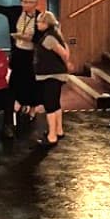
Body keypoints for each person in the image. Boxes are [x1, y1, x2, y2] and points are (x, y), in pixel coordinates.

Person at [33, 11, 70, 145]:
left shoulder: (49, 38)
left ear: (46, 23)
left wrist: (66, 64)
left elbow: (64, 54)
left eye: (40, 22)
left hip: (51, 75)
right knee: (55, 103)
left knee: (50, 105)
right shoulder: (54, 35)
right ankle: (58, 130)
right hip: (53, 74)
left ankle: (52, 136)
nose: (37, 24)